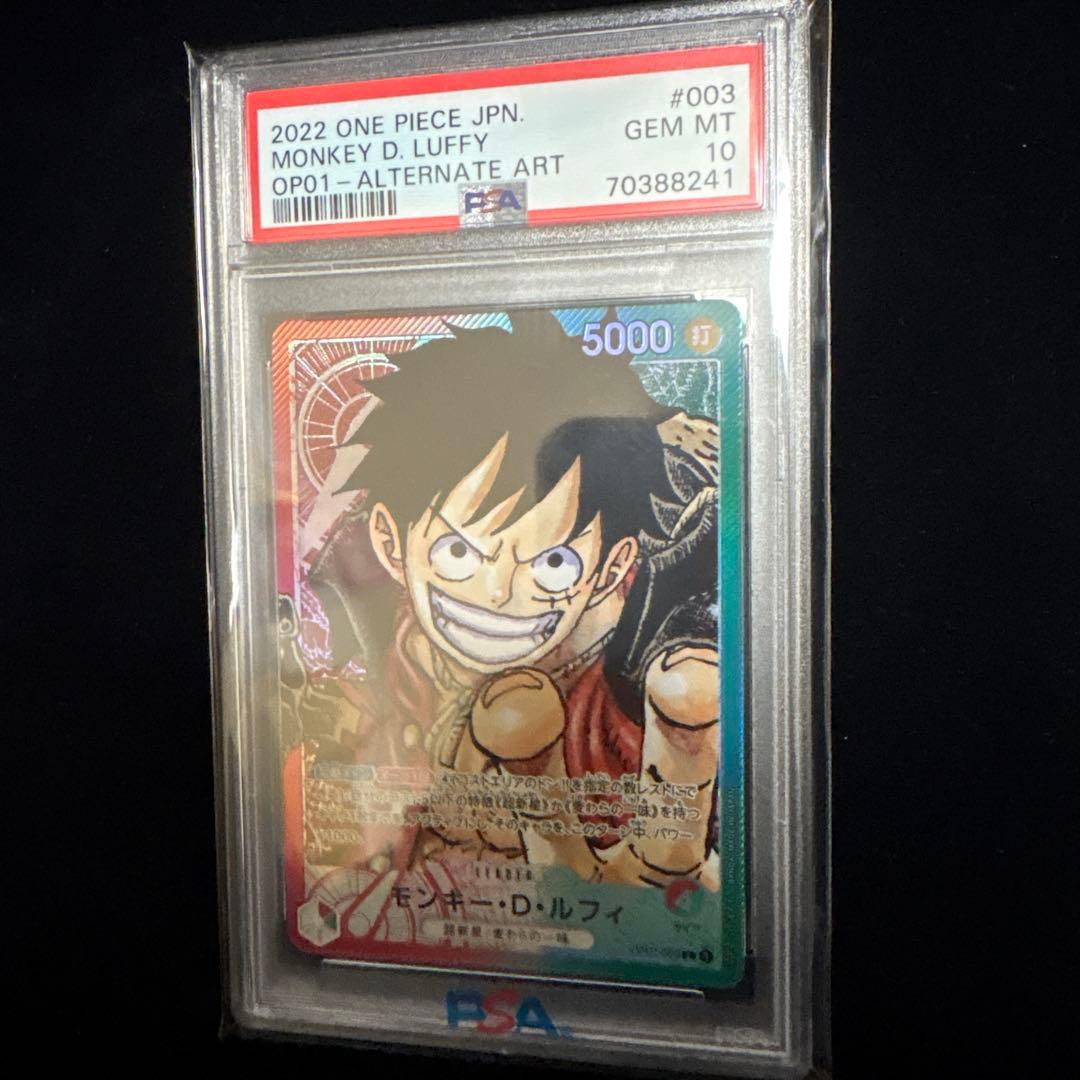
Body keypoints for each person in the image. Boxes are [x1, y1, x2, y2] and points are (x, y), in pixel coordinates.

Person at [284, 310, 722, 923]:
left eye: (553, 564)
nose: (497, 593)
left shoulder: (609, 702)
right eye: (458, 553)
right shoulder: (387, 635)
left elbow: (662, 870)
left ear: (609, 568)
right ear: (390, 541)